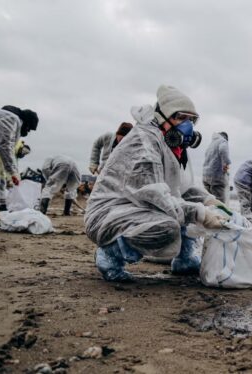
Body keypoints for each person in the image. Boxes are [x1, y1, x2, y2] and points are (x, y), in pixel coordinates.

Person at [84, 85, 227, 282]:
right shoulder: (143, 143)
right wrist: (200, 212)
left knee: (184, 209)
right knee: (168, 226)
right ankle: (110, 253)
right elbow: (154, 196)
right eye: (180, 118)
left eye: (191, 120)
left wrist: (210, 202)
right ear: (163, 117)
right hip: (109, 213)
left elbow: (180, 188)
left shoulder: (171, 145)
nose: (187, 126)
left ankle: (185, 258)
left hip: (135, 207)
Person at [0, 106, 38, 188]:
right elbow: (5, 147)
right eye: (29, 128)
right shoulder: (10, 118)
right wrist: (13, 173)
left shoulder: (3, 117)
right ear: (26, 122)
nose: (27, 131)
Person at [0, 140, 30, 210]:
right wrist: (11, 180)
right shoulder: (11, 149)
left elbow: (14, 168)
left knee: (2, 185)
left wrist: (15, 179)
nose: (23, 155)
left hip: (0, 170)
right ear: (21, 149)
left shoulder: (14, 153)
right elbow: (9, 166)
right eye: (23, 153)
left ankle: (2, 204)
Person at [202, 132, 231, 204]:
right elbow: (223, 149)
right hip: (216, 177)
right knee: (220, 203)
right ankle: (219, 215)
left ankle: (212, 215)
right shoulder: (223, 141)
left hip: (206, 177)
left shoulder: (211, 144)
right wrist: (226, 163)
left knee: (210, 202)